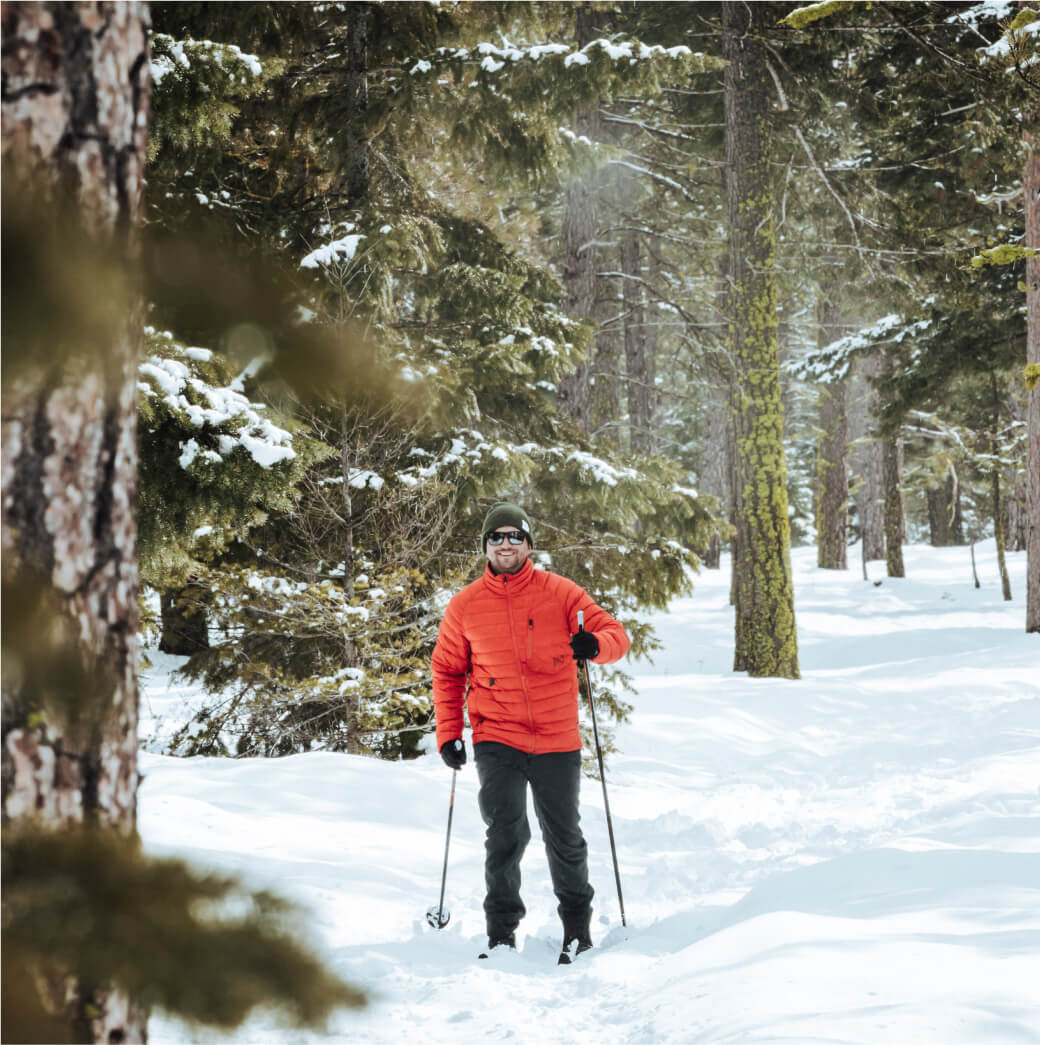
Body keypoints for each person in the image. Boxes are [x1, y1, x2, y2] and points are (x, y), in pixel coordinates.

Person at [431, 502, 631, 960]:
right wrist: (449, 733)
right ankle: (501, 935)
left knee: (564, 835)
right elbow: (446, 671)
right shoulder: (465, 606)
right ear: (485, 545)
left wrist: (596, 644)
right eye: (496, 537)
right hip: (496, 734)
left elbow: (615, 633)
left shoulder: (561, 594)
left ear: (528, 544)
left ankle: (577, 931)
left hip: (556, 736)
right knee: (506, 833)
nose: (506, 544)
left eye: (514, 536)